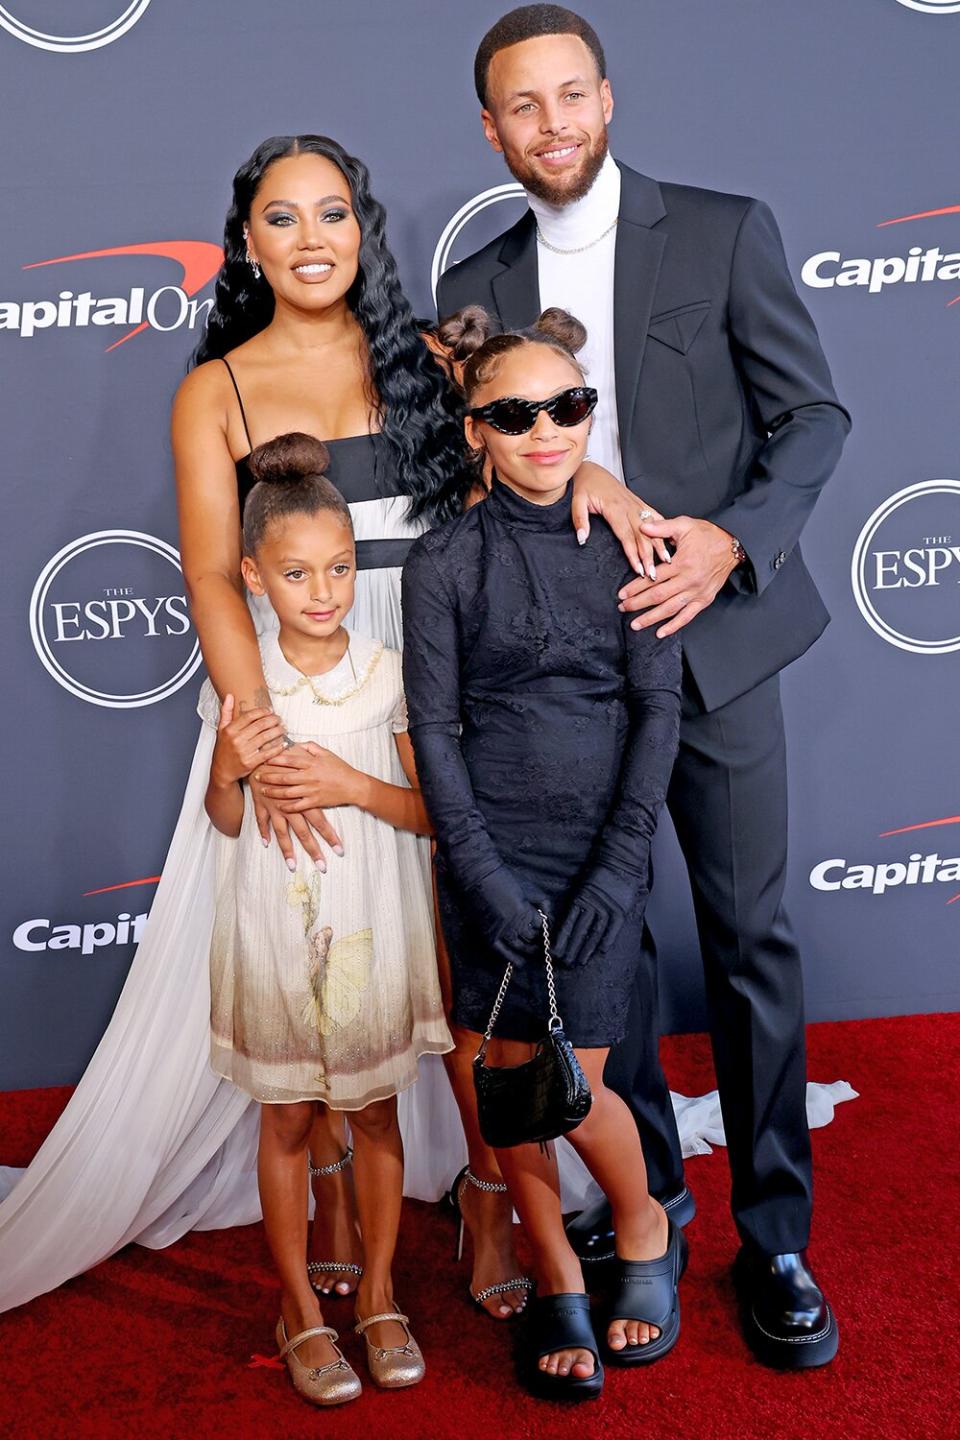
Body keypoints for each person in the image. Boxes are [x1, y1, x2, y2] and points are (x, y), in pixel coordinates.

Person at [436, 6, 850, 1369]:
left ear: (607, 101)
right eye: (522, 107)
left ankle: (776, 1238)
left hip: (713, 647)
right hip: (557, 691)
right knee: (598, 978)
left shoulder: (723, 228)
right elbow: (489, 458)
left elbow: (814, 417)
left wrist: (728, 539)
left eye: (572, 96)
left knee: (747, 941)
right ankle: (649, 1213)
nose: (552, 126)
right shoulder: (481, 280)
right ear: (490, 130)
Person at [0, 133, 468, 1315]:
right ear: (245, 242)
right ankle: (316, 1198)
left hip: (441, 690)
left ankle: (493, 1199)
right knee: (304, 945)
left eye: (333, 214)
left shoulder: (425, 363)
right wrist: (258, 730)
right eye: (282, 219)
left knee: (458, 955)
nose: (312, 241)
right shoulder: (218, 388)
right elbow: (214, 573)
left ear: (366, 229)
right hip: (292, 701)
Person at [402, 308, 684, 1401]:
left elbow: (656, 715)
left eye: (567, 407)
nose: (545, 432)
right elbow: (434, 732)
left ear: (589, 412)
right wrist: (475, 871)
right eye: (513, 416)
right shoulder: (443, 563)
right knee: (504, 1086)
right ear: (475, 429)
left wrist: (620, 866)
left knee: (580, 1089)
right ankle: (554, 1265)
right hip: (488, 853)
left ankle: (642, 1220)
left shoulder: (630, 541)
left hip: (600, 854)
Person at [203, 432, 447, 1402]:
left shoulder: (387, 673)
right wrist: (231, 766)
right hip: (274, 928)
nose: (324, 591)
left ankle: (381, 1293)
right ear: (256, 578)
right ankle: (301, 1307)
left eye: (340, 568)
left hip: (373, 928)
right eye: (299, 573)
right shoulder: (244, 683)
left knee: (379, 1115)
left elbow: (431, 814)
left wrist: (351, 781)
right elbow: (224, 820)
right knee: (290, 1121)